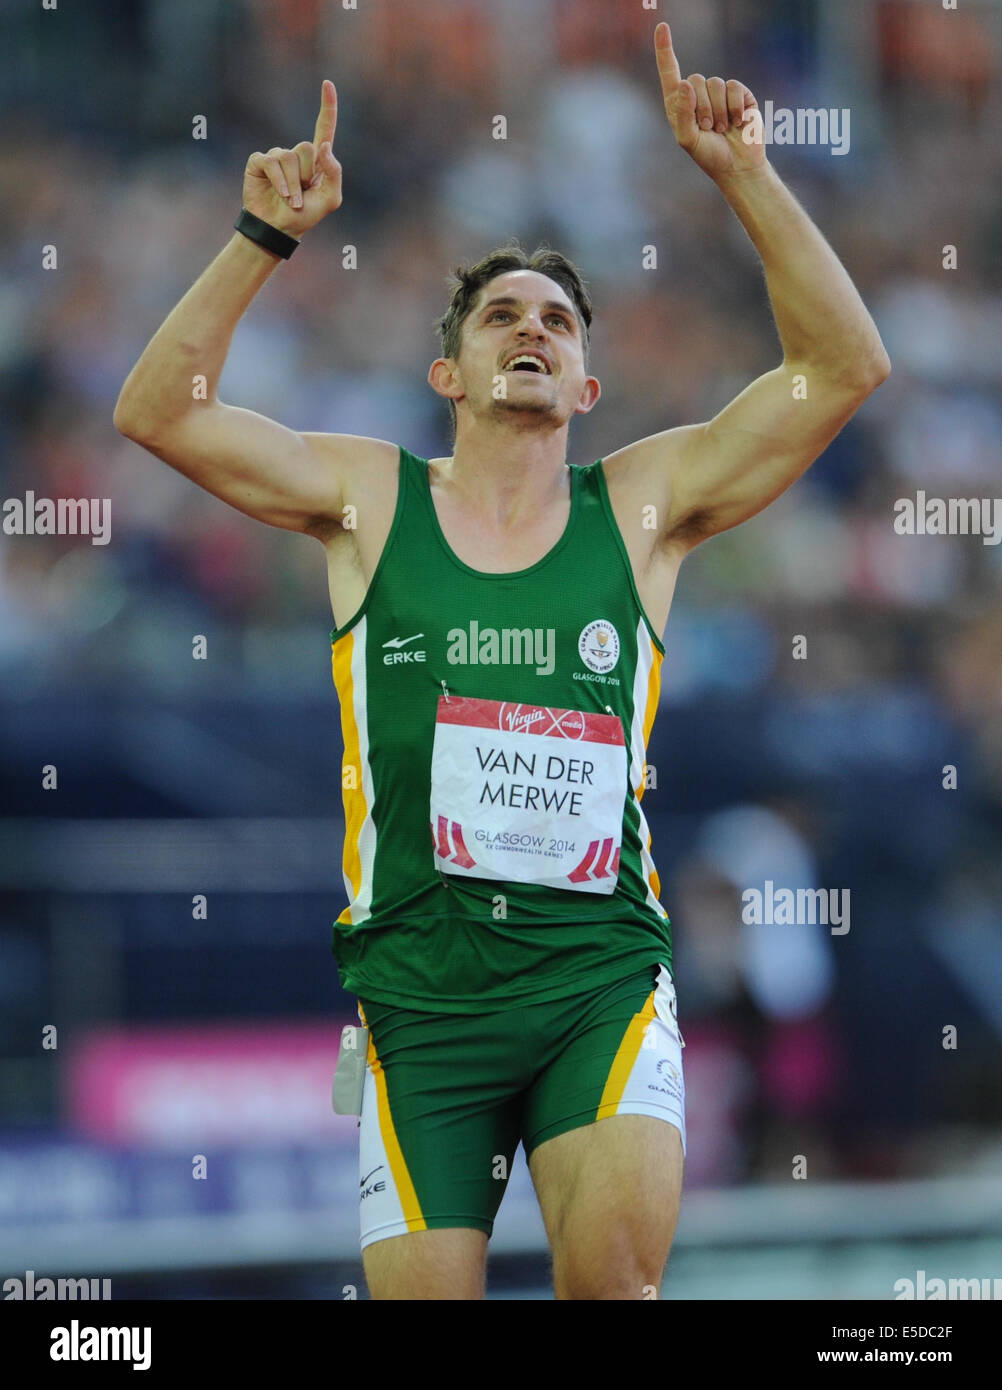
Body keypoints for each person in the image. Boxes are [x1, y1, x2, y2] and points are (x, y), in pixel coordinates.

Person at [114, 23, 890, 1299]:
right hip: (421, 1002)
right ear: (449, 371)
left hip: (597, 977)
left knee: (615, 1289)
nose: (531, 330)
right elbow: (158, 413)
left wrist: (744, 171)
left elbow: (843, 367)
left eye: (558, 322)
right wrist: (263, 238)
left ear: (587, 385)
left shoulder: (641, 507)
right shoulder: (368, 499)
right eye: (500, 316)